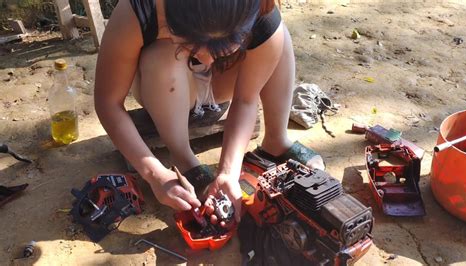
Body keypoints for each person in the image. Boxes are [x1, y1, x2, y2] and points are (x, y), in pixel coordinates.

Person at [94, 0, 324, 224]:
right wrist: (154, 174)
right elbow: (108, 102)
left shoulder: (259, 10)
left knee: (276, 35)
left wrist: (228, 172)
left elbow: (245, 100)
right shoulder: (139, 9)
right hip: (163, 83)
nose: (206, 59)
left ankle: (276, 140)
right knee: (162, 55)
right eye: (191, 44)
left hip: (222, 84)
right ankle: (184, 157)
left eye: (223, 48)